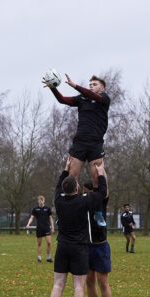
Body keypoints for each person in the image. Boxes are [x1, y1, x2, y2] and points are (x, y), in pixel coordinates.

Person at [43, 74, 110, 227]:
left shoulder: (104, 99)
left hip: (95, 144)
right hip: (79, 143)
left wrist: (74, 85)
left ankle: (98, 213)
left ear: (102, 88)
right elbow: (62, 100)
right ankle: (66, 212)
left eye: (94, 84)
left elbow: (92, 95)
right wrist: (53, 88)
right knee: (71, 179)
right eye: (90, 84)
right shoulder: (82, 99)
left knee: (96, 179)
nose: (91, 86)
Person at [49, 157, 107, 297]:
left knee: (58, 285)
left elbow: (58, 188)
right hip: (80, 249)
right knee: (78, 286)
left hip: (62, 247)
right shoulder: (84, 201)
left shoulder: (58, 201)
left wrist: (66, 170)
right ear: (77, 188)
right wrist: (101, 173)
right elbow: (102, 192)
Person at [82, 181, 113, 297]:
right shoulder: (83, 203)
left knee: (103, 282)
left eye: (86, 192)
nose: (85, 194)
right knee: (89, 280)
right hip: (87, 247)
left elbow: (105, 189)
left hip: (101, 247)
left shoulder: (101, 201)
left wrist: (101, 170)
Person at [25, 195, 54, 263]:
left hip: (47, 228)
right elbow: (31, 218)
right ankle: (39, 258)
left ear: (44, 201)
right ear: (38, 201)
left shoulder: (47, 209)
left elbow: (51, 218)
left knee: (49, 243)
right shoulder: (35, 209)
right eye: (39, 200)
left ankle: (48, 258)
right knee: (39, 244)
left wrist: (52, 227)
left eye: (42, 200)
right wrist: (28, 224)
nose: (40, 202)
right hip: (39, 228)